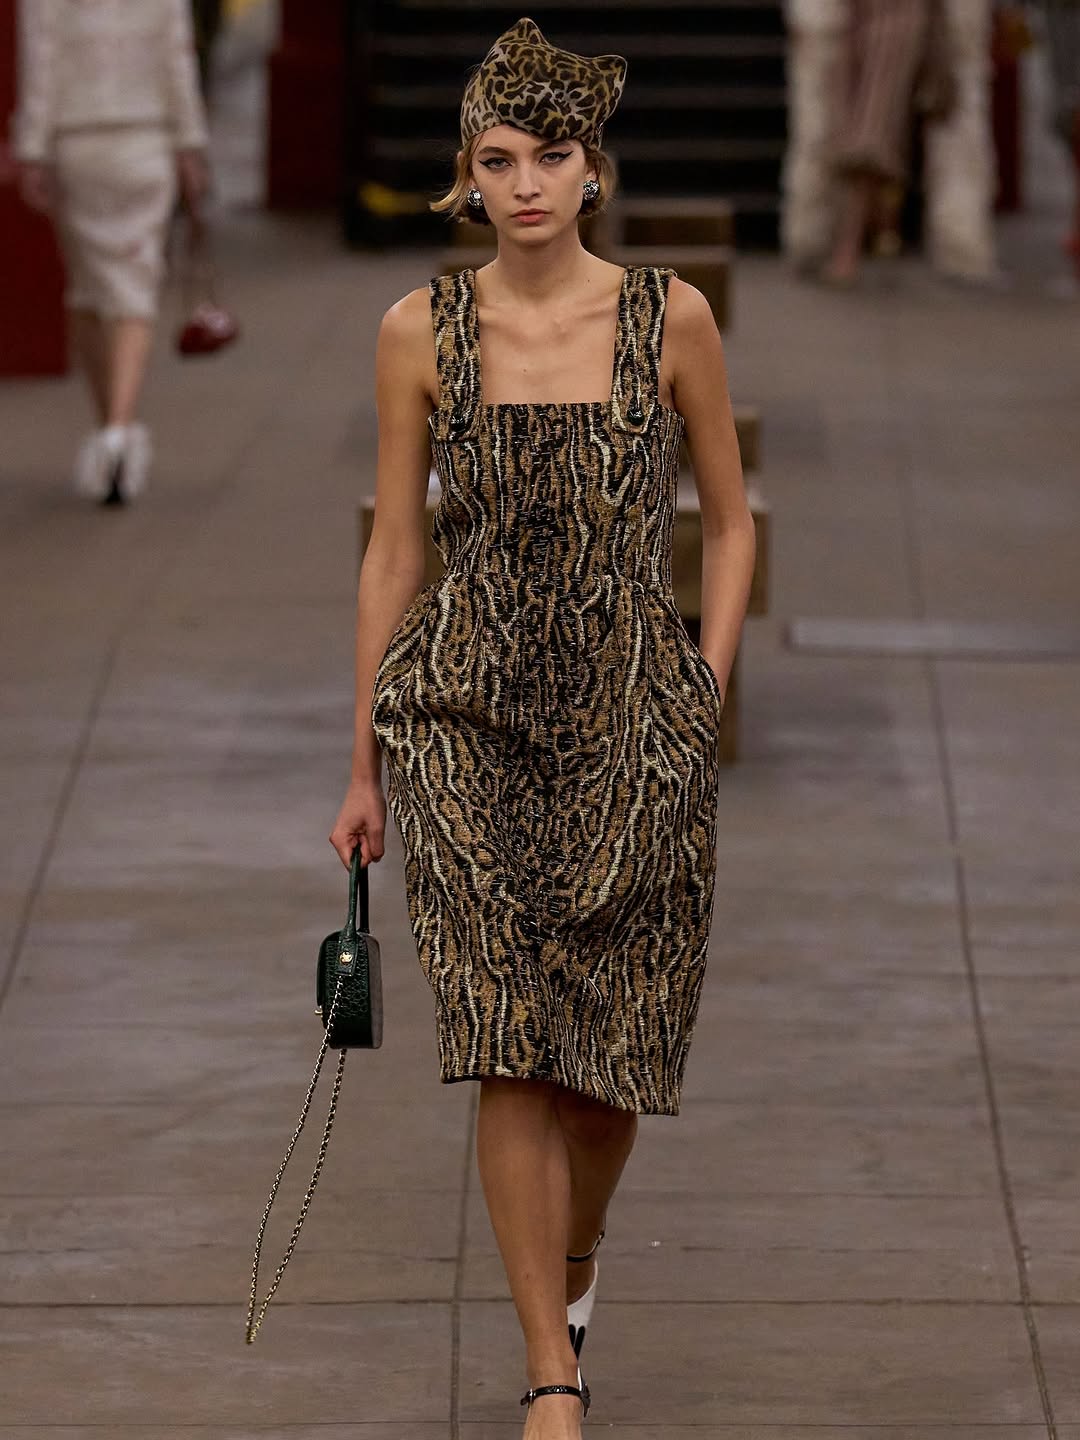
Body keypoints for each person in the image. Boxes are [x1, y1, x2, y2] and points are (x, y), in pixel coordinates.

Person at [329, 17, 756, 1435]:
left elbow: (730, 519)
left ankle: (572, 1259)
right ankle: (551, 1379)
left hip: (634, 709)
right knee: (506, 1035)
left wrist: (704, 676)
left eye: (549, 156)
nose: (524, 184)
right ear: (465, 177)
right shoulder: (421, 330)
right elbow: (396, 548)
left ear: (593, 171)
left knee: (613, 1059)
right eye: (496, 160)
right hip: (465, 708)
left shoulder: (667, 317)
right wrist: (364, 760)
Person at [13, 0, 209, 506]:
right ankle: (119, 429)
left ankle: (109, 427)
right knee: (135, 289)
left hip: (76, 144)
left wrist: (31, 147)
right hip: (148, 140)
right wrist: (190, 143)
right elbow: (176, 57)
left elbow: (42, 58)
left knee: (87, 289)